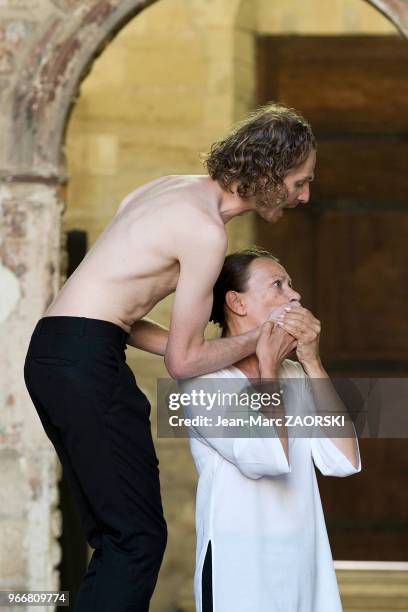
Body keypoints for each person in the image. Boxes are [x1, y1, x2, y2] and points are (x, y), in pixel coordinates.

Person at [23, 103, 316, 612]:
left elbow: (119, 315)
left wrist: (241, 344)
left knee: (116, 537)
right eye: (300, 181)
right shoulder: (205, 231)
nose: (305, 195)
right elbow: (184, 363)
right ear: (269, 174)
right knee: (136, 541)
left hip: (54, 351)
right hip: (88, 362)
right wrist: (266, 337)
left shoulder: (163, 189)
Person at [179, 248, 361, 612]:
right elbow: (265, 458)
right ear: (237, 303)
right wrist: (266, 367)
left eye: (291, 285)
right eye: (278, 285)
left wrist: (312, 361)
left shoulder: (294, 374)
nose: (294, 296)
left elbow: (344, 459)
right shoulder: (204, 383)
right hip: (239, 565)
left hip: (303, 561)